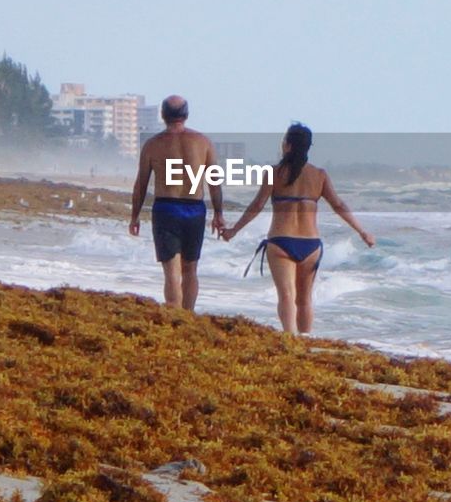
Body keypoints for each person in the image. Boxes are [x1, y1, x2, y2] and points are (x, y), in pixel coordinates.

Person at [222, 123, 374, 334]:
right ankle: (305, 342)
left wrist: (233, 230)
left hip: (281, 242)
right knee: (304, 300)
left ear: (287, 145)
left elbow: (257, 206)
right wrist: (362, 231)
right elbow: (338, 205)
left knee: (286, 296)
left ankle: (290, 340)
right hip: (311, 245)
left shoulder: (274, 173)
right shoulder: (319, 175)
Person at [129, 95, 225, 310]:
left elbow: (141, 184)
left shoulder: (153, 145)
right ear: (186, 115)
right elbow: (215, 183)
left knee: (172, 270)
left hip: (166, 209)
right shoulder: (203, 142)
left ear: (163, 115)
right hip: (195, 209)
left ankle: (174, 313)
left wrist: (134, 216)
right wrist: (218, 214)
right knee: (190, 269)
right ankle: (188, 315)